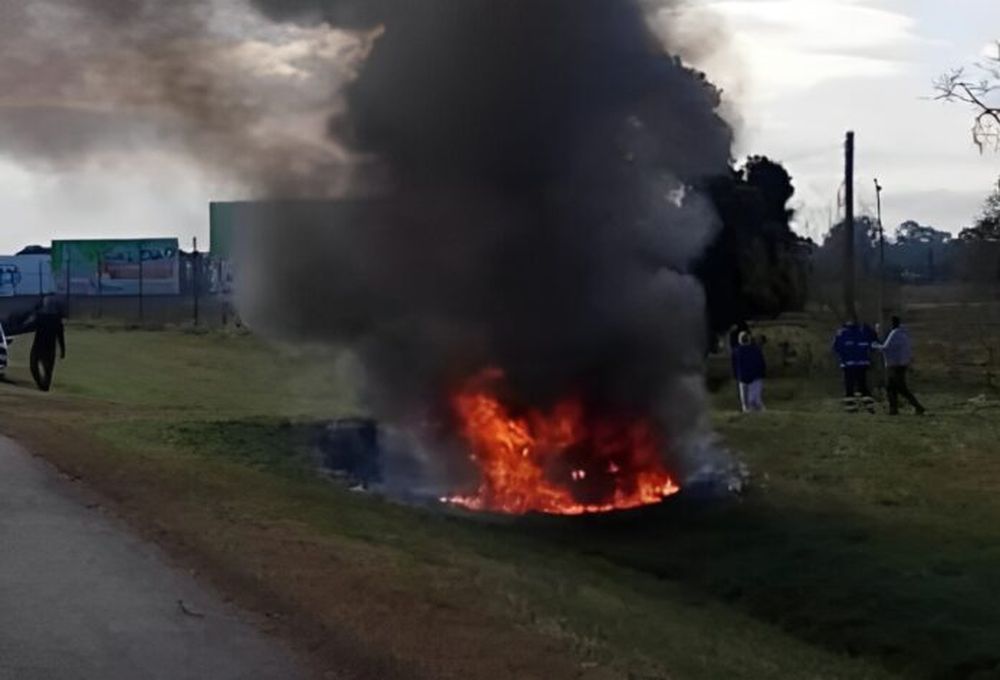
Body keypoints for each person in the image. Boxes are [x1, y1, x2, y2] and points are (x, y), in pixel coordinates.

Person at [876, 316, 926, 416]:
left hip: (895, 364)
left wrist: (875, 345)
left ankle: (918, 407)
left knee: (900, 388)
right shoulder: (904, 333)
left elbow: (886, 348)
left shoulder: (894, 334)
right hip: (902, 363)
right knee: (891, 387)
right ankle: (893, 410)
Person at [832, 316, 877, 413]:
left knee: (849, 387)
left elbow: (836, 348)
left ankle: (851, 408)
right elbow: (873, 342)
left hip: (848, 365)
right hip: (862, 364)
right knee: (863, 386)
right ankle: (870, 407)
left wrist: (842, 356)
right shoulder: (863, 332)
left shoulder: (842, 333)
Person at [30, 296, 66, 392]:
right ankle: (44, 387)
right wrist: (63, 350)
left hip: (39, 346)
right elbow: (61, 337)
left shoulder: (41, 316)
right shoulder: (57, 320)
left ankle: (43, 386)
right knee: (47, 371)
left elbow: (29, 326)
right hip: (49, 348)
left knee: (34, 366)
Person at [734, 331, 766, 412]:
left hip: (743, 377)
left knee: (745, 402)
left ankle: (748, 412)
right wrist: (762, 374)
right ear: (748, 340)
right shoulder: (756, 350)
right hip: (755, 377)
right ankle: (759, 412)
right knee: (755, 399)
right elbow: (761, 363)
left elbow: (734, 366)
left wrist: (736, 376)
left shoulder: (736, 351)